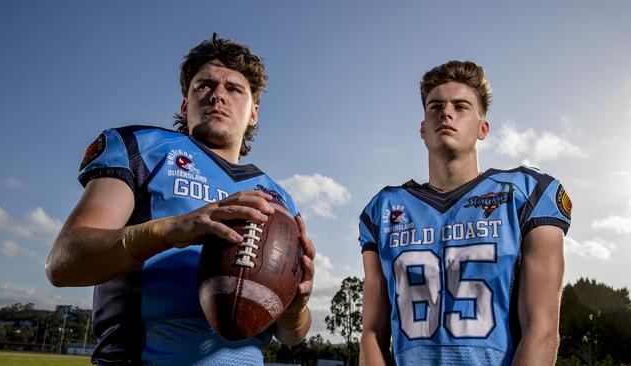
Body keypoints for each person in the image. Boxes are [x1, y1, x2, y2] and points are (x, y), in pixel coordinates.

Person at [45, 34, 315, 366]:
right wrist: (171, 229)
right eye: (204, 85)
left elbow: (291, 336)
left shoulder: (277, 197)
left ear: (253, 113)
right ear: (185, 105)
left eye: (234, 89)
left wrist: (296, 309)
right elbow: (62, 264)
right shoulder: (144, 148)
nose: (218, 94)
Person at [358, 61, 571, 365]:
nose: (446, 112)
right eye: (435, 106)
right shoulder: (385, 208)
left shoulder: (524, 195)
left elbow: (542, 328)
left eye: (461, 106)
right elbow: (371, 334)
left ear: (483, 128)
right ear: (422, 128)